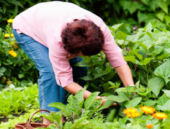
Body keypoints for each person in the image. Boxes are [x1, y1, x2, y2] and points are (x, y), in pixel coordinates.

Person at [12, 1, 134, 125]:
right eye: (84, 54)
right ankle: (49, 122)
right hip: (27, 27)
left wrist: (131, 89)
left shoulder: (99, 29)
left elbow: (119, 62)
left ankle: (68, 111)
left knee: (80, 68)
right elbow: (65, 81)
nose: (89, 57)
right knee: (50, 72)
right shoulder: (57, 41)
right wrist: (95, 98)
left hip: (50, 17)